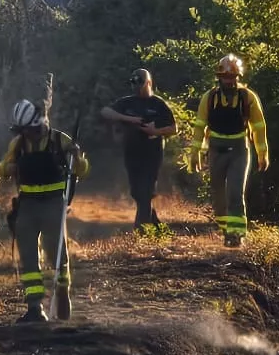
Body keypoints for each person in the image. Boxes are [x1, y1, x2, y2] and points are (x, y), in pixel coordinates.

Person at [0, 99, 90, 323]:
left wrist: (77, 157)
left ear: (38, 124)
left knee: (56, 254)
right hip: (28, 205)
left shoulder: (60, 140)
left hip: (53, 204)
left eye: (29, 129)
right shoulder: (19, 144)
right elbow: (2, 169)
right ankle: (34, 308)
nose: (27, 134)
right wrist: (10, 167)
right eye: (23, 130)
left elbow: (82, 171)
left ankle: (62, 292)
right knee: (28, 257)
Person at [192, 54, 269, 247]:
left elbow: (258, 127)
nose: (229, 80)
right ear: (219, 77)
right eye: (225, 77)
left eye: (232, 77)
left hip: (239, 151)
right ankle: (226, 229)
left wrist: (262, 153)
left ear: (238, 77)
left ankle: (235, 236)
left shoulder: (247, 97)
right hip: (216, 150)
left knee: (235, 193)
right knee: (218, 196)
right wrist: (195, 153)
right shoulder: (209, 98)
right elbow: (200, 126)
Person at [100, 68, 178, 231]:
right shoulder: (127, 102)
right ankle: (153, 221)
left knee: (147, 190)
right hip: (132, 152)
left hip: (152, 153)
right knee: (136, 191)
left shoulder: (158, 104)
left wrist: (155, 131)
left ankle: (141, 229)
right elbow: (105, 112)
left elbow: (173, 128)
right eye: (133, 82)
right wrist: (129, 119)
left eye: (140, 82)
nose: (136, 86)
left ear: (149, 83)